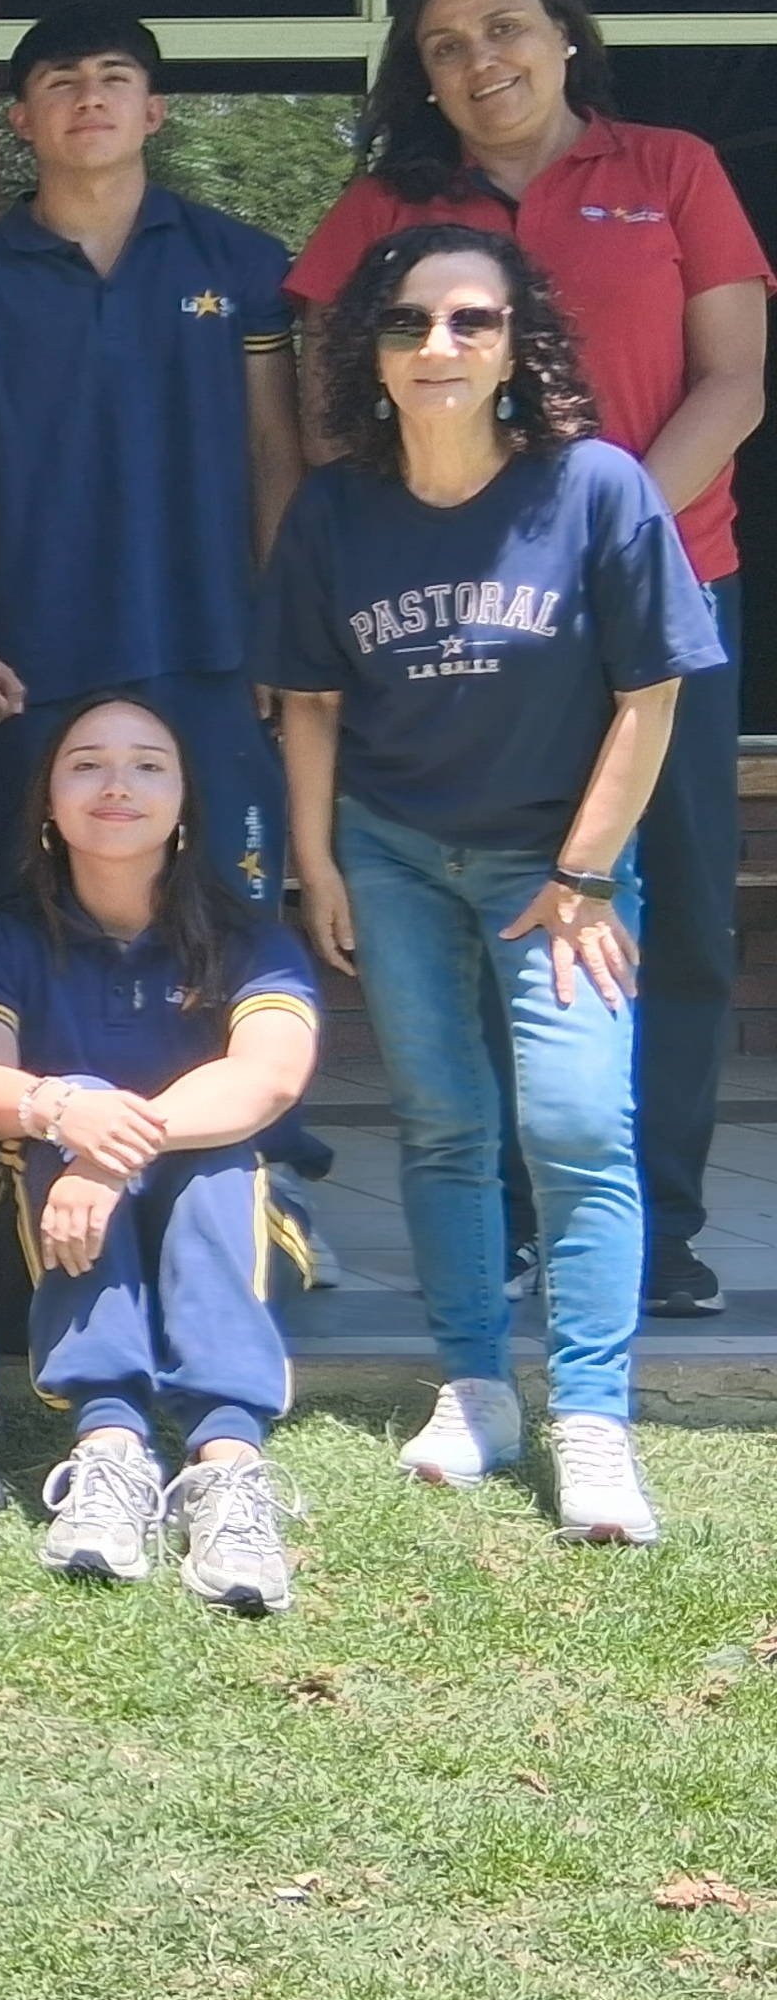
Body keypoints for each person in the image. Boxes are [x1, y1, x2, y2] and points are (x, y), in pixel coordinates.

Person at [288, 0, 769, 1323]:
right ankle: (500, 1216)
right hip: (458, 620)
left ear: (568, 39)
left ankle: (654, 1227)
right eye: (442, 44)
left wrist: (592, 542)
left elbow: (732, 382)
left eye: (506, 28)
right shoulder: (388, 203)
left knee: (660, 917)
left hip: (666, 590)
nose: (478, 60)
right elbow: (333, 401)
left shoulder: (669, 167)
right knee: (490, 907)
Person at [260, 227, 723, 1547]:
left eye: (471, 321)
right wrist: (318, 863)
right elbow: (308, 703)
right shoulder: (339, 508)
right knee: (450, 1128)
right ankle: (477, 1388)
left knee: (577, 1125)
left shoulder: (596, 489)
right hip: (394, 854)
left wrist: (585, 870)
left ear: (522, 346)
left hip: (556, 868)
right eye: (409, 325)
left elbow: (654, 692)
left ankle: (591, 1420)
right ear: (376, 351)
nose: (439, 346)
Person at [0, 10, 300, 907]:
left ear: (154, 111)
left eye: (114, 77)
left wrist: (284, 630)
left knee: (231, 915)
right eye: (60, 81)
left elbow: (278, 452)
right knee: (33, 917)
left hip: (212, 644)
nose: (89, 97)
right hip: (27, 658)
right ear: (20, 120)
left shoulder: (241, 263)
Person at [0, 697, 323, 1615]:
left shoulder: (251, 940)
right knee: (58, 1115)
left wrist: (113, 1150)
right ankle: (108, 1446)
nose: (117, 785)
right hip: (43, 1246)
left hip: (221, 1234)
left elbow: (267, 1080)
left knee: (216, 1154)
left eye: (149, 766)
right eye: (86, 764)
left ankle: (229, 1466)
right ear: (45, 800)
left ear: (188, 800)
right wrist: (63, 1109)